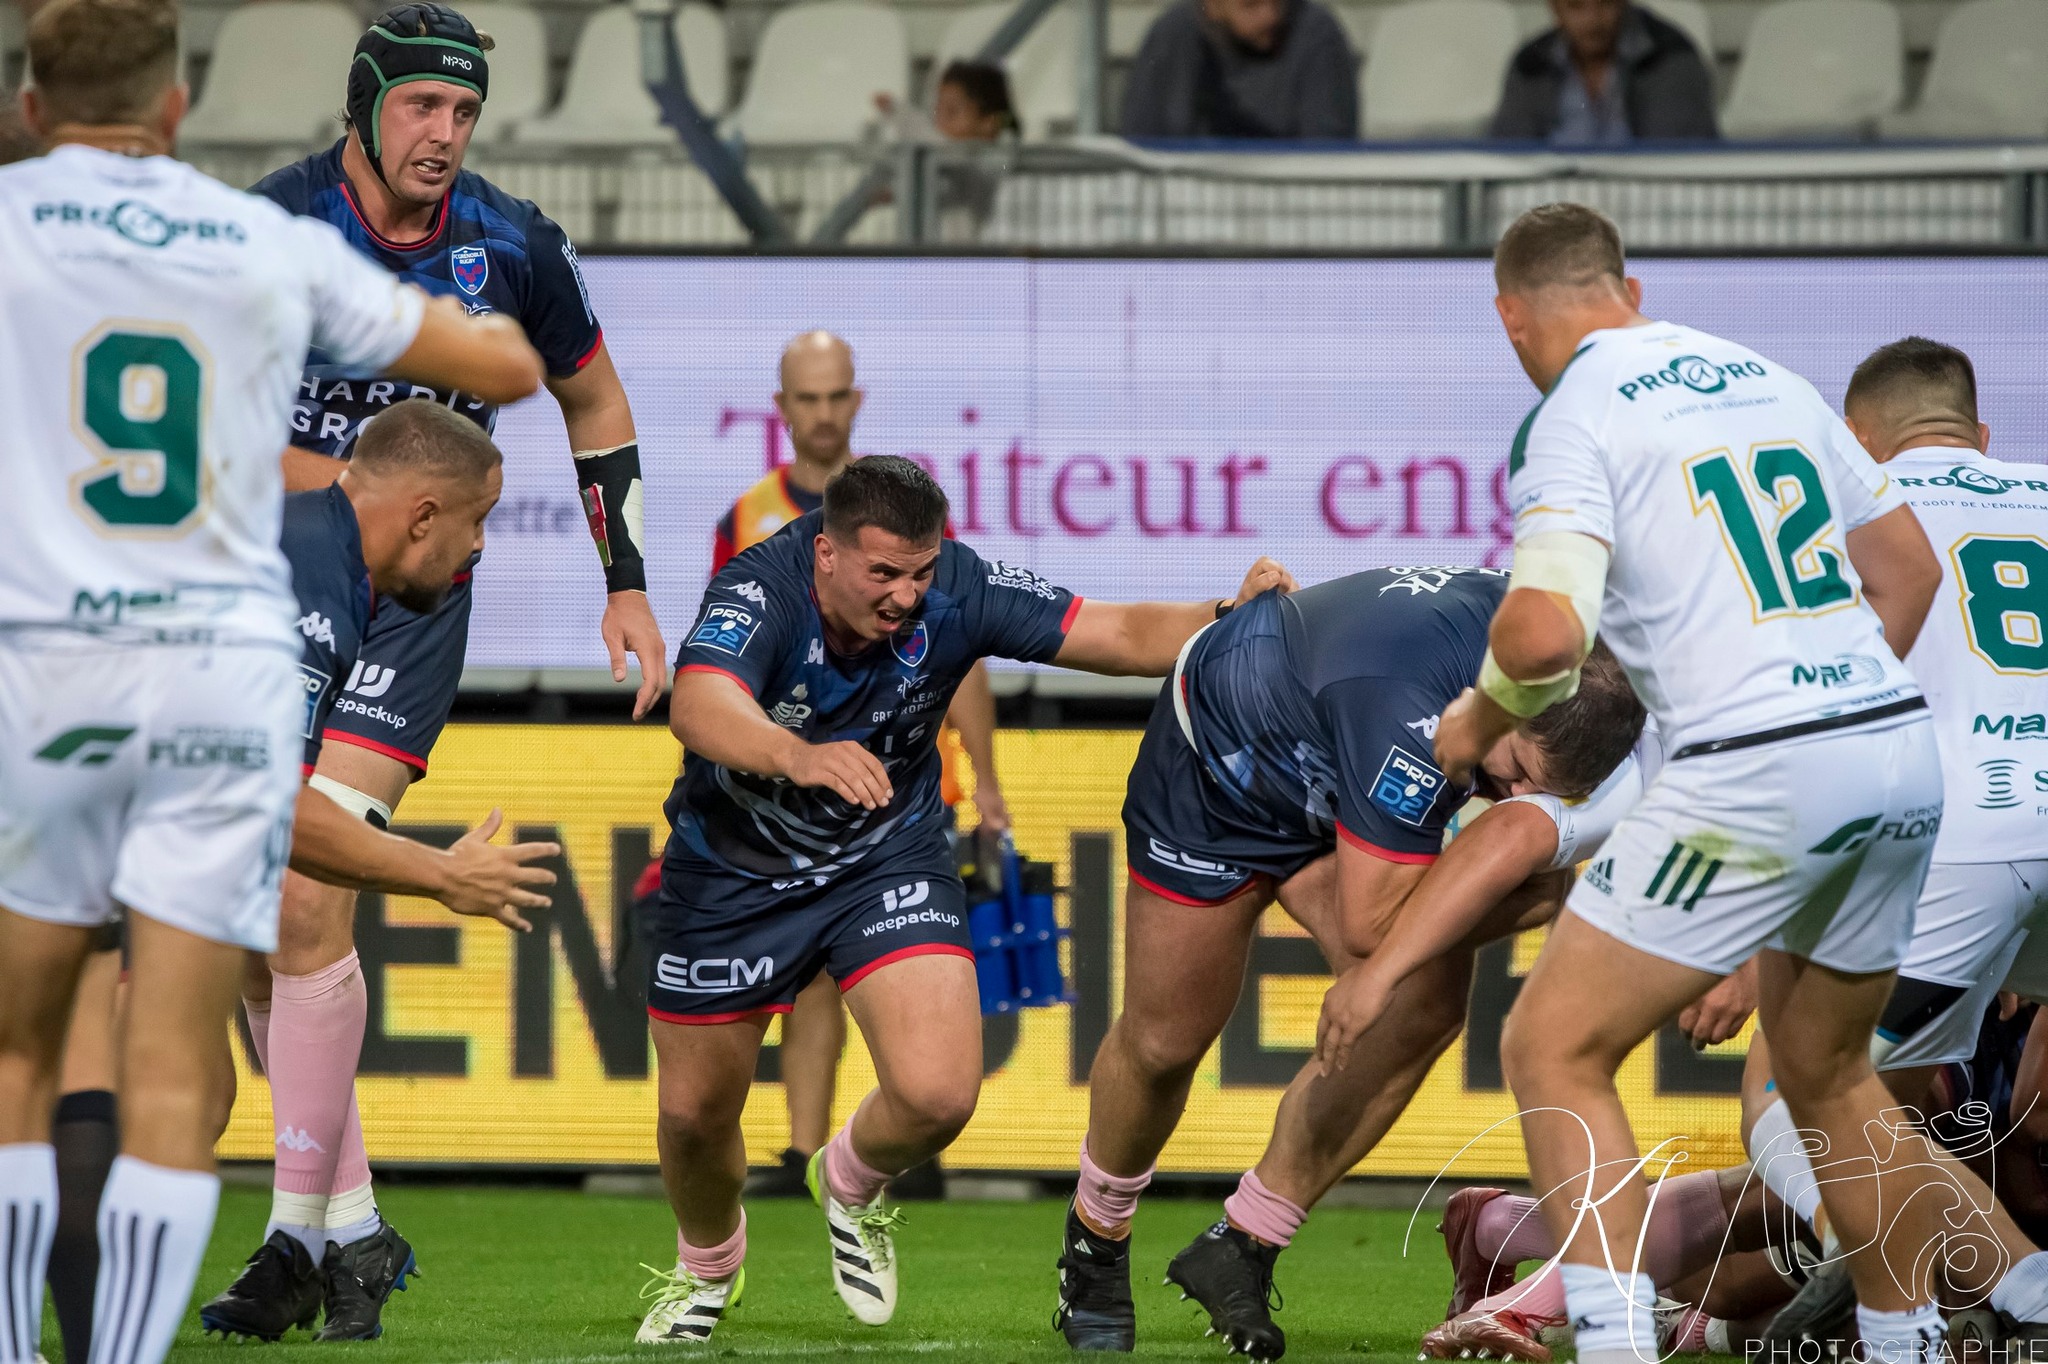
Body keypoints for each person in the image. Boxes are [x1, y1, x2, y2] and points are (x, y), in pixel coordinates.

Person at [0, 0, 542, 1359]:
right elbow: (502, 363)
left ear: (31, 109)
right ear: (177, 109)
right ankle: (136, 1341)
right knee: (176, 1064)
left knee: (30, 1048)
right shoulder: (258, 238)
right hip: (209, 673)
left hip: (49, 673)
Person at [1430, 201, 1967, 1364]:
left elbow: (1538, 637)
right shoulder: (1766, 378)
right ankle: (1908, 1342)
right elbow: (1909, 572)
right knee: (1827, 1072)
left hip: (1753, 764)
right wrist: (1834, 698)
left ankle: (1614, 1345)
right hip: (1891, 748)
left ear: (1509, 316)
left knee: (1551, 1044)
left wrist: (1475, 715)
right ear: (1627, 290)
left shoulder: (1568, 414)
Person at [205, 2, 669, 1338]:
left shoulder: (511, 243)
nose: (444, 133)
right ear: (363, 108)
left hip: (409, 602)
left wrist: (626, 581)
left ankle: (307, 1237)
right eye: (420, 106)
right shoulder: (275, 226)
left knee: (302, 888)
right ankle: (348, 1223)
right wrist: (339, 489)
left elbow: (596, 398)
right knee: (262, 920)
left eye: (463, 112)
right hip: (269, 581)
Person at [635, 455, 1293, 1345]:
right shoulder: (761, 588)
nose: (907, 596)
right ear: (826, 552)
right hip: (732, 874)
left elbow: (1115, 630)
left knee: (939, 1095)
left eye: (920, 572)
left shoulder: (958, 584)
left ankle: (849, 1179)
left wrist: (1227, 615)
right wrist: (800, 755)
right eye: (884, 573)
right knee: (693, 1115)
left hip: (884, 856)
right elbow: (700, 703)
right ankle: (709, 1265)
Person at [1053, 565, 1646, 1356]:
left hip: (1333, 752)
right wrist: (1527, 891)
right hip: (1221, 771)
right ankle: (1096, 1239)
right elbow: (1372, 928)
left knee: (1422, 996)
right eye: (1520, 775)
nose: (1510, 795)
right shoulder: (1410, 709)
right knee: (1165, 1044)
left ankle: (1245, 1241)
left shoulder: (1572, 659)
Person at [1723, 338, 2048, 1353]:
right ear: (1979, 434)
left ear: (1856, 441)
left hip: (1961, 841)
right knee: (1887, 1114)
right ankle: (1958, 1289)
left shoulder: (1845, 509)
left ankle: (1882, 1254)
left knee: (1793, 1089)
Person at [711, 332, 1008, 1201]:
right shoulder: (747, 521)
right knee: (806, 975)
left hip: (908, 780)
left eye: (836, 395)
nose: (823, 413)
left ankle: (902, 1139)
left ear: (856, 400)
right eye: (807, 398)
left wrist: (988, 779)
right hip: (798, 790)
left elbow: (963, 656)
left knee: (909, 956)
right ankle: (805, 1150)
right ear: (782, 408)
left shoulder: (904, 521)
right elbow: (723, 665)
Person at [1121, 0, 1358, 139]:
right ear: (1212, 6)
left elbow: (1327, 152)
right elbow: (1140, 145)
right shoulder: (1171, 36)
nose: (1270, 16)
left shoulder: (1316, 33)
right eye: (1251, 4)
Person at [1488, 0, 1717, 144]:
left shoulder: (1670, 56)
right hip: (1553, 201)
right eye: (1576, 6)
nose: (1593, 21)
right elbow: (1509, 155)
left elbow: (1678, 161)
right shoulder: (1530, 65)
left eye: (1605, 4)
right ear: (1554, 8)